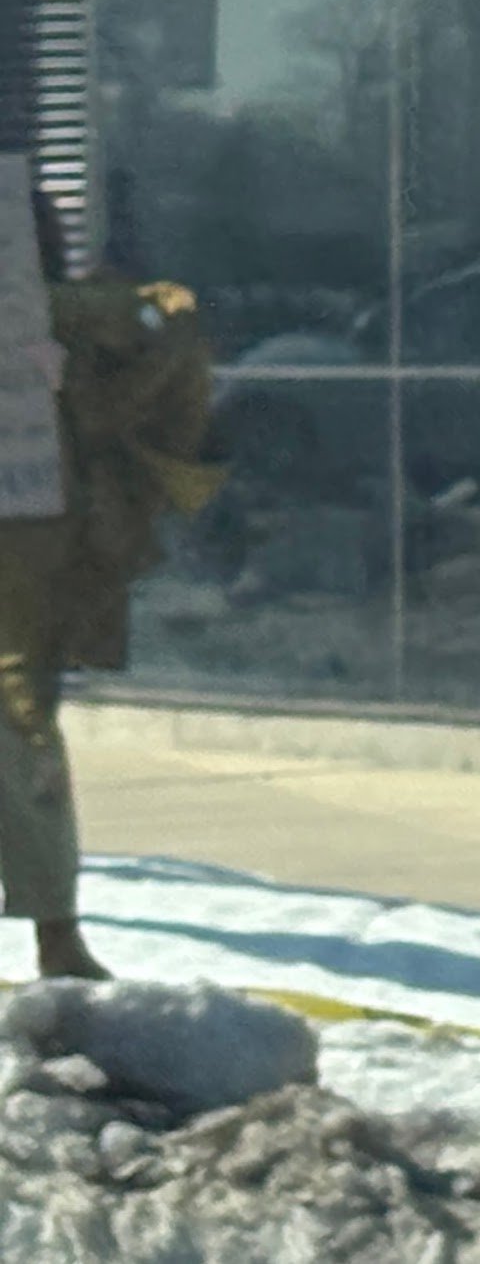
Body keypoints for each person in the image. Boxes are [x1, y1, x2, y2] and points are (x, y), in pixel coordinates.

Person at [0, 187, 222, 978]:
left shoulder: (89, 323)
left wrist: (69, 325)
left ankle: (55, 931)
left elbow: (161, 333)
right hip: (34, 536)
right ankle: (55, 929)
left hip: (29, 537)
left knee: (20, 723)